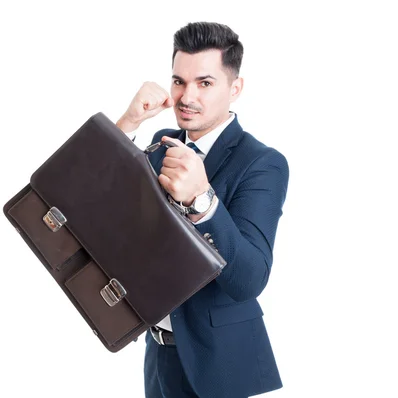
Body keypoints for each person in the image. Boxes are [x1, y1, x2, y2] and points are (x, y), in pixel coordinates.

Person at [115, 22, 289, 398]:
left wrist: (202, 200)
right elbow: (95, 204)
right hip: (158, 354)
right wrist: (128, 123)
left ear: (235, 88)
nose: (186, 96)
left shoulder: (263, 163)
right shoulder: (159, 147)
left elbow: (248, 280)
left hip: (220, 365)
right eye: (179, 81)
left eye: (205, 83)